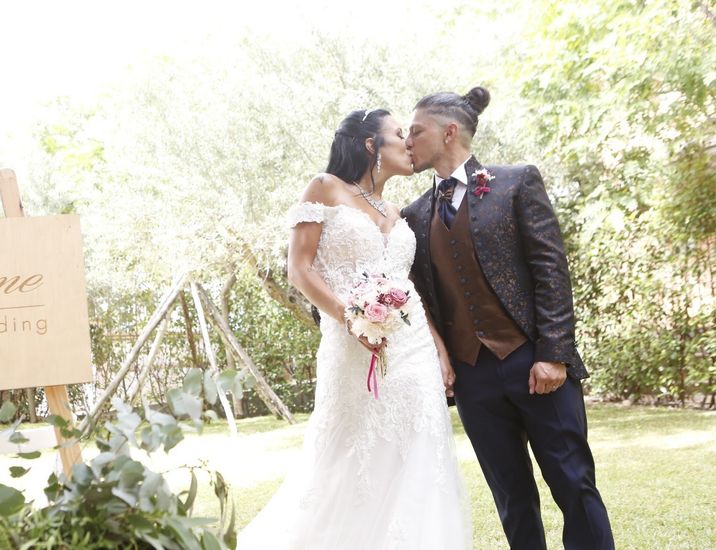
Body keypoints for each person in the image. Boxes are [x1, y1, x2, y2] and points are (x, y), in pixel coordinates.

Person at [238, 109, 469, 549]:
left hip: (413, 348)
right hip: (352, 347)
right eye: (399, 134)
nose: (408, 143)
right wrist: (348, 316)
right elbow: (298, 270)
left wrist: (438, 347)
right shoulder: (324, 188)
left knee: (421, 455)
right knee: (350, 459)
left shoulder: (396, 210)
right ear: (370, 144)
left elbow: (408, 285)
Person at [401, 87, 614, 549]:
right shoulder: (413, 215)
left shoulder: (516, 182)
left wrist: (554, 354)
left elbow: (550, 270)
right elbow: (419, 297)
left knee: (574, 484)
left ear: (449, 131)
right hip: (473, 378)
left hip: (535, 364)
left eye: (416, 130)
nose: (407, 140)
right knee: (511, 499)